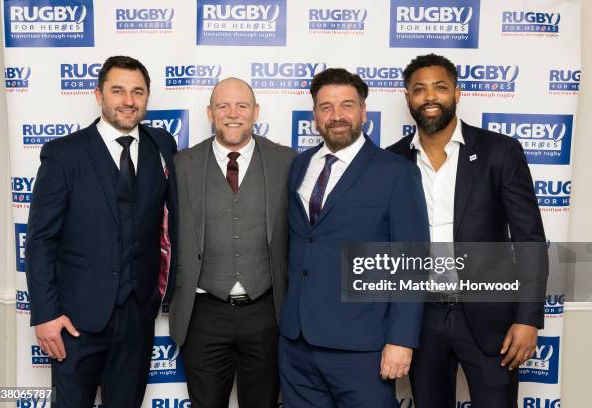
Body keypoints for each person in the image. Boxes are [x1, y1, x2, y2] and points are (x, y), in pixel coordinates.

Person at [387, 53, 548, 408]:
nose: (430, 96)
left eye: (440, 87)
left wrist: (527, 319)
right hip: (421, 318)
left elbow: (530, 240)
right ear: (407, 98)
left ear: (457, 93)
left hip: (491, 319)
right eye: (419, 89)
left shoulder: (499, 151)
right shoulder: (391, 161)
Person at [25, 55, 178, 407]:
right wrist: (46, 314)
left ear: (147, 97)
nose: (128, 101)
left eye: (138, 92)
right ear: (98, 95)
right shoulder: (63, 154)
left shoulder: (162, 146)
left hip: (137, 316)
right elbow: (41, 240)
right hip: (76, 319)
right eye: (118, 91)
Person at [279, 68, 430, 407]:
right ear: (315, 115)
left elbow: (412, 261)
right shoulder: (299, 166)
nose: (337, 116)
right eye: (326, 107)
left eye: (347, 105)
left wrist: (401, 341)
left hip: (363, 347)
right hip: (297, 344)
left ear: (364, 111)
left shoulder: (396, 172)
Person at [168, 77, 295, 407]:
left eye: (242, 105)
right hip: (204, 312)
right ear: (210, 113)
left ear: (256, 112)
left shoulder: (286, 161)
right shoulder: (183, 164)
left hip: (266, 312)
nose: (232, 113)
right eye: (223, 105)